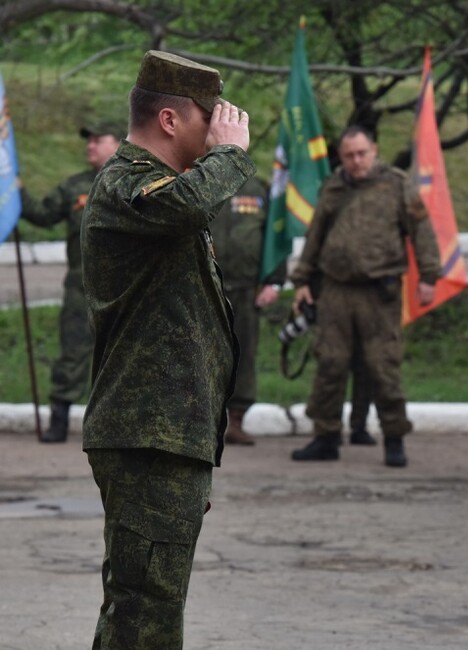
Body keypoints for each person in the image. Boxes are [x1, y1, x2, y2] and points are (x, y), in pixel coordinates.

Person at [82, 50, 253, 649]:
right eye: (212, 119)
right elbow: (188, 204)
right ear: (172, 121)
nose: (221, 131)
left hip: (166, 435)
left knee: (142, 607)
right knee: (144, 613)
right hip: (146, 433)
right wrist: (233, 154)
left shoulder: (157, 196)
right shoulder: (126, 185)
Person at [289, 125, 441, 467]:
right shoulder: (334, 186)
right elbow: (316, 236)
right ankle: (326, 435)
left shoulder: (397, 185)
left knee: (382, 364)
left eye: (361, 153)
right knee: (330, 362)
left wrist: (429, 276)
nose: (356, 161)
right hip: (336, 289)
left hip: (380, 290)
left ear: (374, 150)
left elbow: (422, 231)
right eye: (349, 155)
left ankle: (394, 436)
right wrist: (302, 280)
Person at [19, 120, 124, 442]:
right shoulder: (74, 186)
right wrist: (14, 188)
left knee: (123, 357)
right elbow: (42, 214)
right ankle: (59, 420)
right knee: (73, 352)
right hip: (81, 287)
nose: (90, 146)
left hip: (125, 289)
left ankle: (118, 427)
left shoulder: (136, 181)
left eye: (98, 140)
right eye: (88, 141)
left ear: (118, 144)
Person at [210, 177, 283, 445]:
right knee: (202, 354)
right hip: (206, 285)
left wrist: (274, 280)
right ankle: (204, 423)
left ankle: (237, 421)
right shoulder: (197, 179)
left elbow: (274, 237)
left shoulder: (259, 189)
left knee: (243, 353)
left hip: (246, 288)